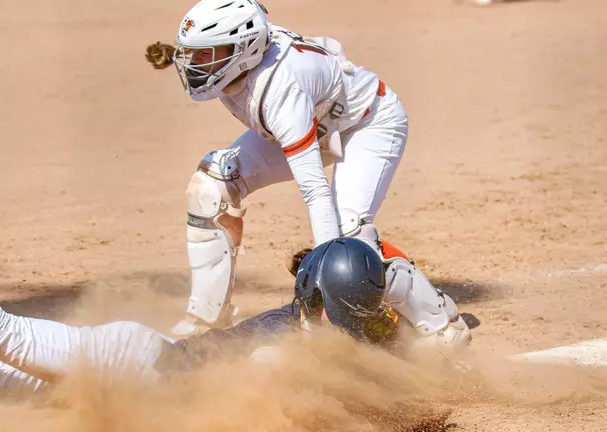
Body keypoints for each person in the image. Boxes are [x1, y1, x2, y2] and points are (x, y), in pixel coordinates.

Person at [0, 188, 468, 392]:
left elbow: (391, 280)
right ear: (312, 300)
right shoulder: (280, 351)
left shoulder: (347, 309)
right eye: (336, 312)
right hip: (131, 363)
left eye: (355, 314)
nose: (342, 324)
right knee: (3, 337)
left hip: (135, 382)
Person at [158, 0, 418, 337]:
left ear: (244, 50)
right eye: (194, 54)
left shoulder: (279, 88)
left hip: (368, 123)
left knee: (349, 235)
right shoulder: (244, 65)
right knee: (213, 184)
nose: (196, 65)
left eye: (208, 55)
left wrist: (328, 285)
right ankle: (206, 319)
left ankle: (437, 321)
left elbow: (314, 190)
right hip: (314, 122)